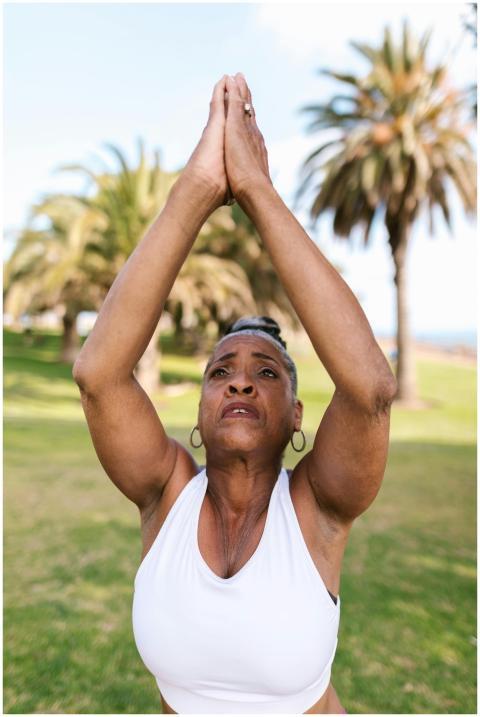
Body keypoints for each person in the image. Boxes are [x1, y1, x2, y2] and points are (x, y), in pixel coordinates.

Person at [73, 73, 397, 714]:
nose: (241, 379)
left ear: (297, 418)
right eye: (220, 372)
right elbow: (99, 375)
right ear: (198, 415)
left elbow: (370, 391)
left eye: (267, 372)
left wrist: (254, 189)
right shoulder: (164, 493)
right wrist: (196, 190)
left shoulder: (318, 508)